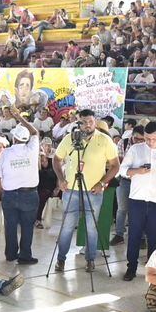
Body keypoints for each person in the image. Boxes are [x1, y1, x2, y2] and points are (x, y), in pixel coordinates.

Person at [51, 110, 121, 273]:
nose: (87, 125)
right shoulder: (70, 138)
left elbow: (115, 165)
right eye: (83, 122)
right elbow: (56, 159)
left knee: (91, 226)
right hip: (71, 190)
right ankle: (61, 259)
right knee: (67, 226)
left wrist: (102, 183)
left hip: (93, 191)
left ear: (95, 122)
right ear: (78, 122)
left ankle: (90, 259)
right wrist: (61, 179)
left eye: (90, 121)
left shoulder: (104, 140)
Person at [119, 123, 156, 282]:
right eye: (148, 139)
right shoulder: (135, 149)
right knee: (134, 235)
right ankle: (131, 268)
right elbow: (122, 170)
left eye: (154, 139)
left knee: (154, 237)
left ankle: (152, 269)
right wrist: (137, 171)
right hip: (137, 199)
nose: (151, 142)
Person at [0, 123, 41, 265]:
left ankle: (11, 254)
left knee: (10, 226)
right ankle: (25, 255)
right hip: (30, 194)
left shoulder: (5, 153)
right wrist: (19, 117)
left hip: (10, 195)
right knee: (27, 226)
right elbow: (35, 131)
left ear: (14, 138)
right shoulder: (32, 149)